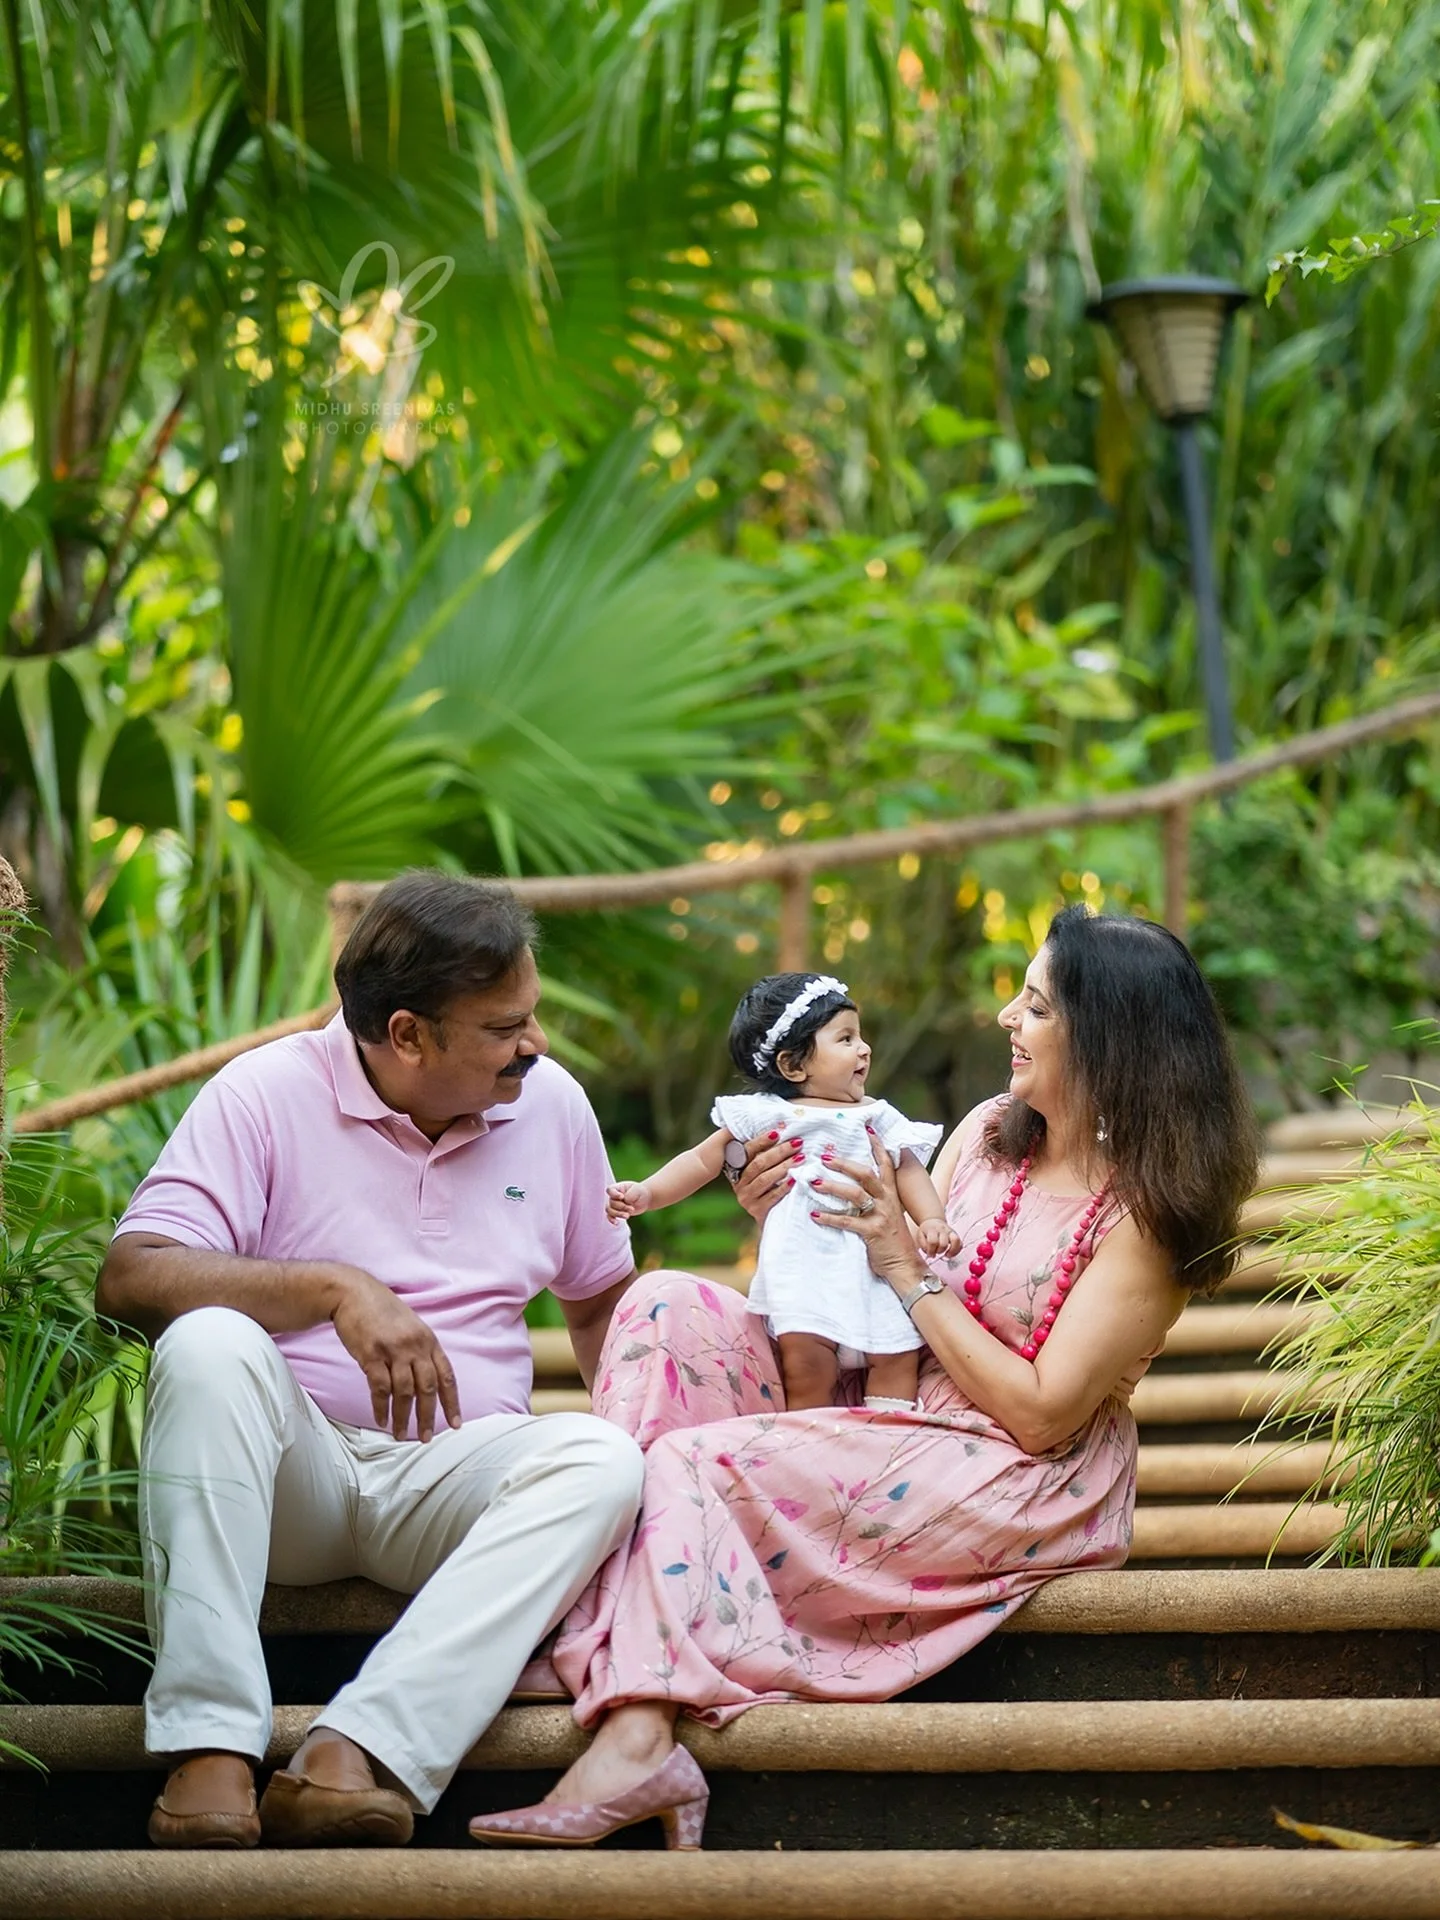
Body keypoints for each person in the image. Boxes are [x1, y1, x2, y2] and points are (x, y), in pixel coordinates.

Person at [468, 906, 1259, 1852]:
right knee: (663, 1307)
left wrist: (902, 1265)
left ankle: (639, 1730)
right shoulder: (985, 1131)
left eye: (1037, 1006)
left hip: (1003, 1462)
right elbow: (860, 1270)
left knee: (692, 1465)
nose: (1008, 1016)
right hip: (877, 1399)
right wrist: (785, 1222)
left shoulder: (1147, 1213)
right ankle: (612, 1623)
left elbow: (1044, 1414)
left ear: (1110, 1038)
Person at [96, 872, 645, 1850]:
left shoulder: (552, 1105)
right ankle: (213, 1747)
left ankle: (361, 1753)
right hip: (288, 1484)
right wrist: (334, 1291)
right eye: (505, 1027)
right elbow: (132, 1277)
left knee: (606, 1461)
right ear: (406, 1034)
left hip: (455, 1475)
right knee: (207, 1342)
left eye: (533, 1015)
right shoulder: (265, 1093)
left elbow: (600, 1297)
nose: (537, 1044)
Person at [605, 971, 959, 1414]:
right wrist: (647, 1193)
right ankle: (806, 1433)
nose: (864, 1048)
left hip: (873, 1269)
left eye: (860, 1036)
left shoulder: (876, 1116)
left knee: (898, 1352)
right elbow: (701, 1160)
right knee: (806, 1365)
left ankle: (887, 1430)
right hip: (804, 1271)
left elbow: (906, 1170)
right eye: (846, 1039)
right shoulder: (765, 1114)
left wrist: (931, 1220)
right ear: (793, 1065)